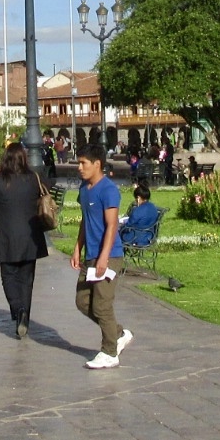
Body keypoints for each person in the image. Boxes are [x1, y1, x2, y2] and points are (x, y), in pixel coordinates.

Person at [0, 140, 49, 338]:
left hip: (7, 237)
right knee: (27, 279)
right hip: (31, 236)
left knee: (8, 276)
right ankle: (24, 316)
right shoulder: (33, 178)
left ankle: (18, 308)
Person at [73, 142, 131, 369]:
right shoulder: (84, 188)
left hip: (109, 255)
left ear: (97, 164)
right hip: (90, 255)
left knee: (102, 305)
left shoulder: (108, 190)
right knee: (82, 301)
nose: (79, 167)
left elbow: (112, 225)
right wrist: (77, 248)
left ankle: (109, 352)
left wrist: (104, 256)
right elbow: (85, 220)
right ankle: (118, 334)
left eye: (83, 163)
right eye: (78, 163)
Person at [117, 182, 162, 254]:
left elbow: (128, 226)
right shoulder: (153, 207)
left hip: (137, 237)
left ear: (138, 198)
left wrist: (120, 226)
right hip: (149, 236)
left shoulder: (138, 210)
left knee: (115, 233)